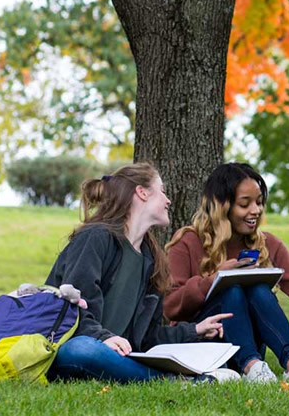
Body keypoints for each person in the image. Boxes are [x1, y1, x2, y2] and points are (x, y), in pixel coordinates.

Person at [44, 163, 236, 383]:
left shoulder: (151, 260)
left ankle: (175, 375)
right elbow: (71, 310)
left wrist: (195, 330)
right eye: (162, 191)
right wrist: (103, 338)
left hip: (117, 356)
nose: (168, 200)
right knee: (84, 349)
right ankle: (177, 380)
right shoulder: (96, 238)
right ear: (142, 192)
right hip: (72, 346)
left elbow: (147, 339)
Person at [164, 163, 289, 384]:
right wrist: (213, 280)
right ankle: (251, 366)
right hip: (204, 347)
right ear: (222, 206)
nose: (255, 210)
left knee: (258, 288)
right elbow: (170, 306)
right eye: (245, 204)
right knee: (231, 290)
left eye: (259, 202)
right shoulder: (188, 242)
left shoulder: (266, 243)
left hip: (249, 347)